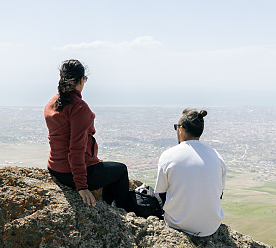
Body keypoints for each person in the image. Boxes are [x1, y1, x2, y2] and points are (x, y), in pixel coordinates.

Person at [44, 59, 135, 211]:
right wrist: (81, 186)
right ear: (81, 80)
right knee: (120, 170)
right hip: (70, 173)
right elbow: (76, 149)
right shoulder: (79, 107)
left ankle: (108, 207)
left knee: (106, 168)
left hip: (55, 167)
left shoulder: (52, 103)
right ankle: (122, 213)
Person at [155, 108, 226, 237]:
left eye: (176, 127)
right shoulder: (216, 156)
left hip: (178, 224)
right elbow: (219, 193)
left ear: (181, 129)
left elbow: (160, 194)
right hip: (211, 227)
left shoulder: (168, 155)